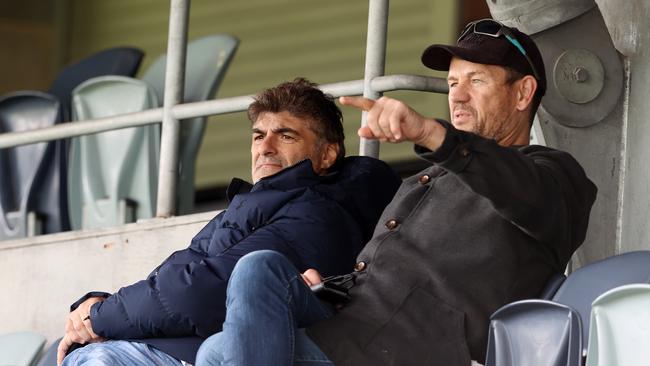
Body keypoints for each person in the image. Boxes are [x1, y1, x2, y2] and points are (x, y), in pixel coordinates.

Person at [195, 19, 598, 366]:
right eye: (453, 82)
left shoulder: (555, 177)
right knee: (255, 278)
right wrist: (330, 286)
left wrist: (430, 133)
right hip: (348, 330)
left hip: (405, 352)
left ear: (523, 93)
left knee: (226, 341)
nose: (456, 95)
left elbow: (515, 185)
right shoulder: (431, 178)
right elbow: (390, 278)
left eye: (476, 81)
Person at [57, 78, 401, 366]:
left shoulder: (323, 211)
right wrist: (97, 306)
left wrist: (101, 317)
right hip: (179, 347)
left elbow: (199, 292)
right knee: (73, 351)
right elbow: (169, 280)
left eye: (286, 135)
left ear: (327, 154)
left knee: (91, 359)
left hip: (205, 351)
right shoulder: (248, 208)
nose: (265, 147)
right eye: (257, 135)